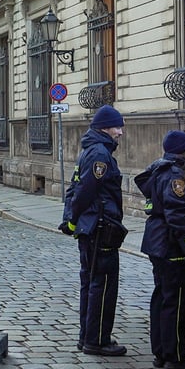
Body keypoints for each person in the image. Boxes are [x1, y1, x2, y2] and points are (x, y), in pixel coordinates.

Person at [136, 130, 185, 369]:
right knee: (177, 303)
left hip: (159, 244)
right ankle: (176, 357)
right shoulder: (175, 176)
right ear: (184, 151)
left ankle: (162, 352)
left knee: (163, 299)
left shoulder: (161, 169)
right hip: (171, 247)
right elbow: (178, 217)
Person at [60, 105, 127, 356]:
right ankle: (97, 340)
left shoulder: (90, 150)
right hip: (100, 227)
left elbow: (74, 189)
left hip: (92, 227)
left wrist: (71, 219)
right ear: (104, 128)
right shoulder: (100, 154)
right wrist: (72, 218)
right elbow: (84, 191)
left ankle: (87, 336)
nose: (120, 132)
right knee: (102, 285)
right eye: (117, 127)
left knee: (90, 283)